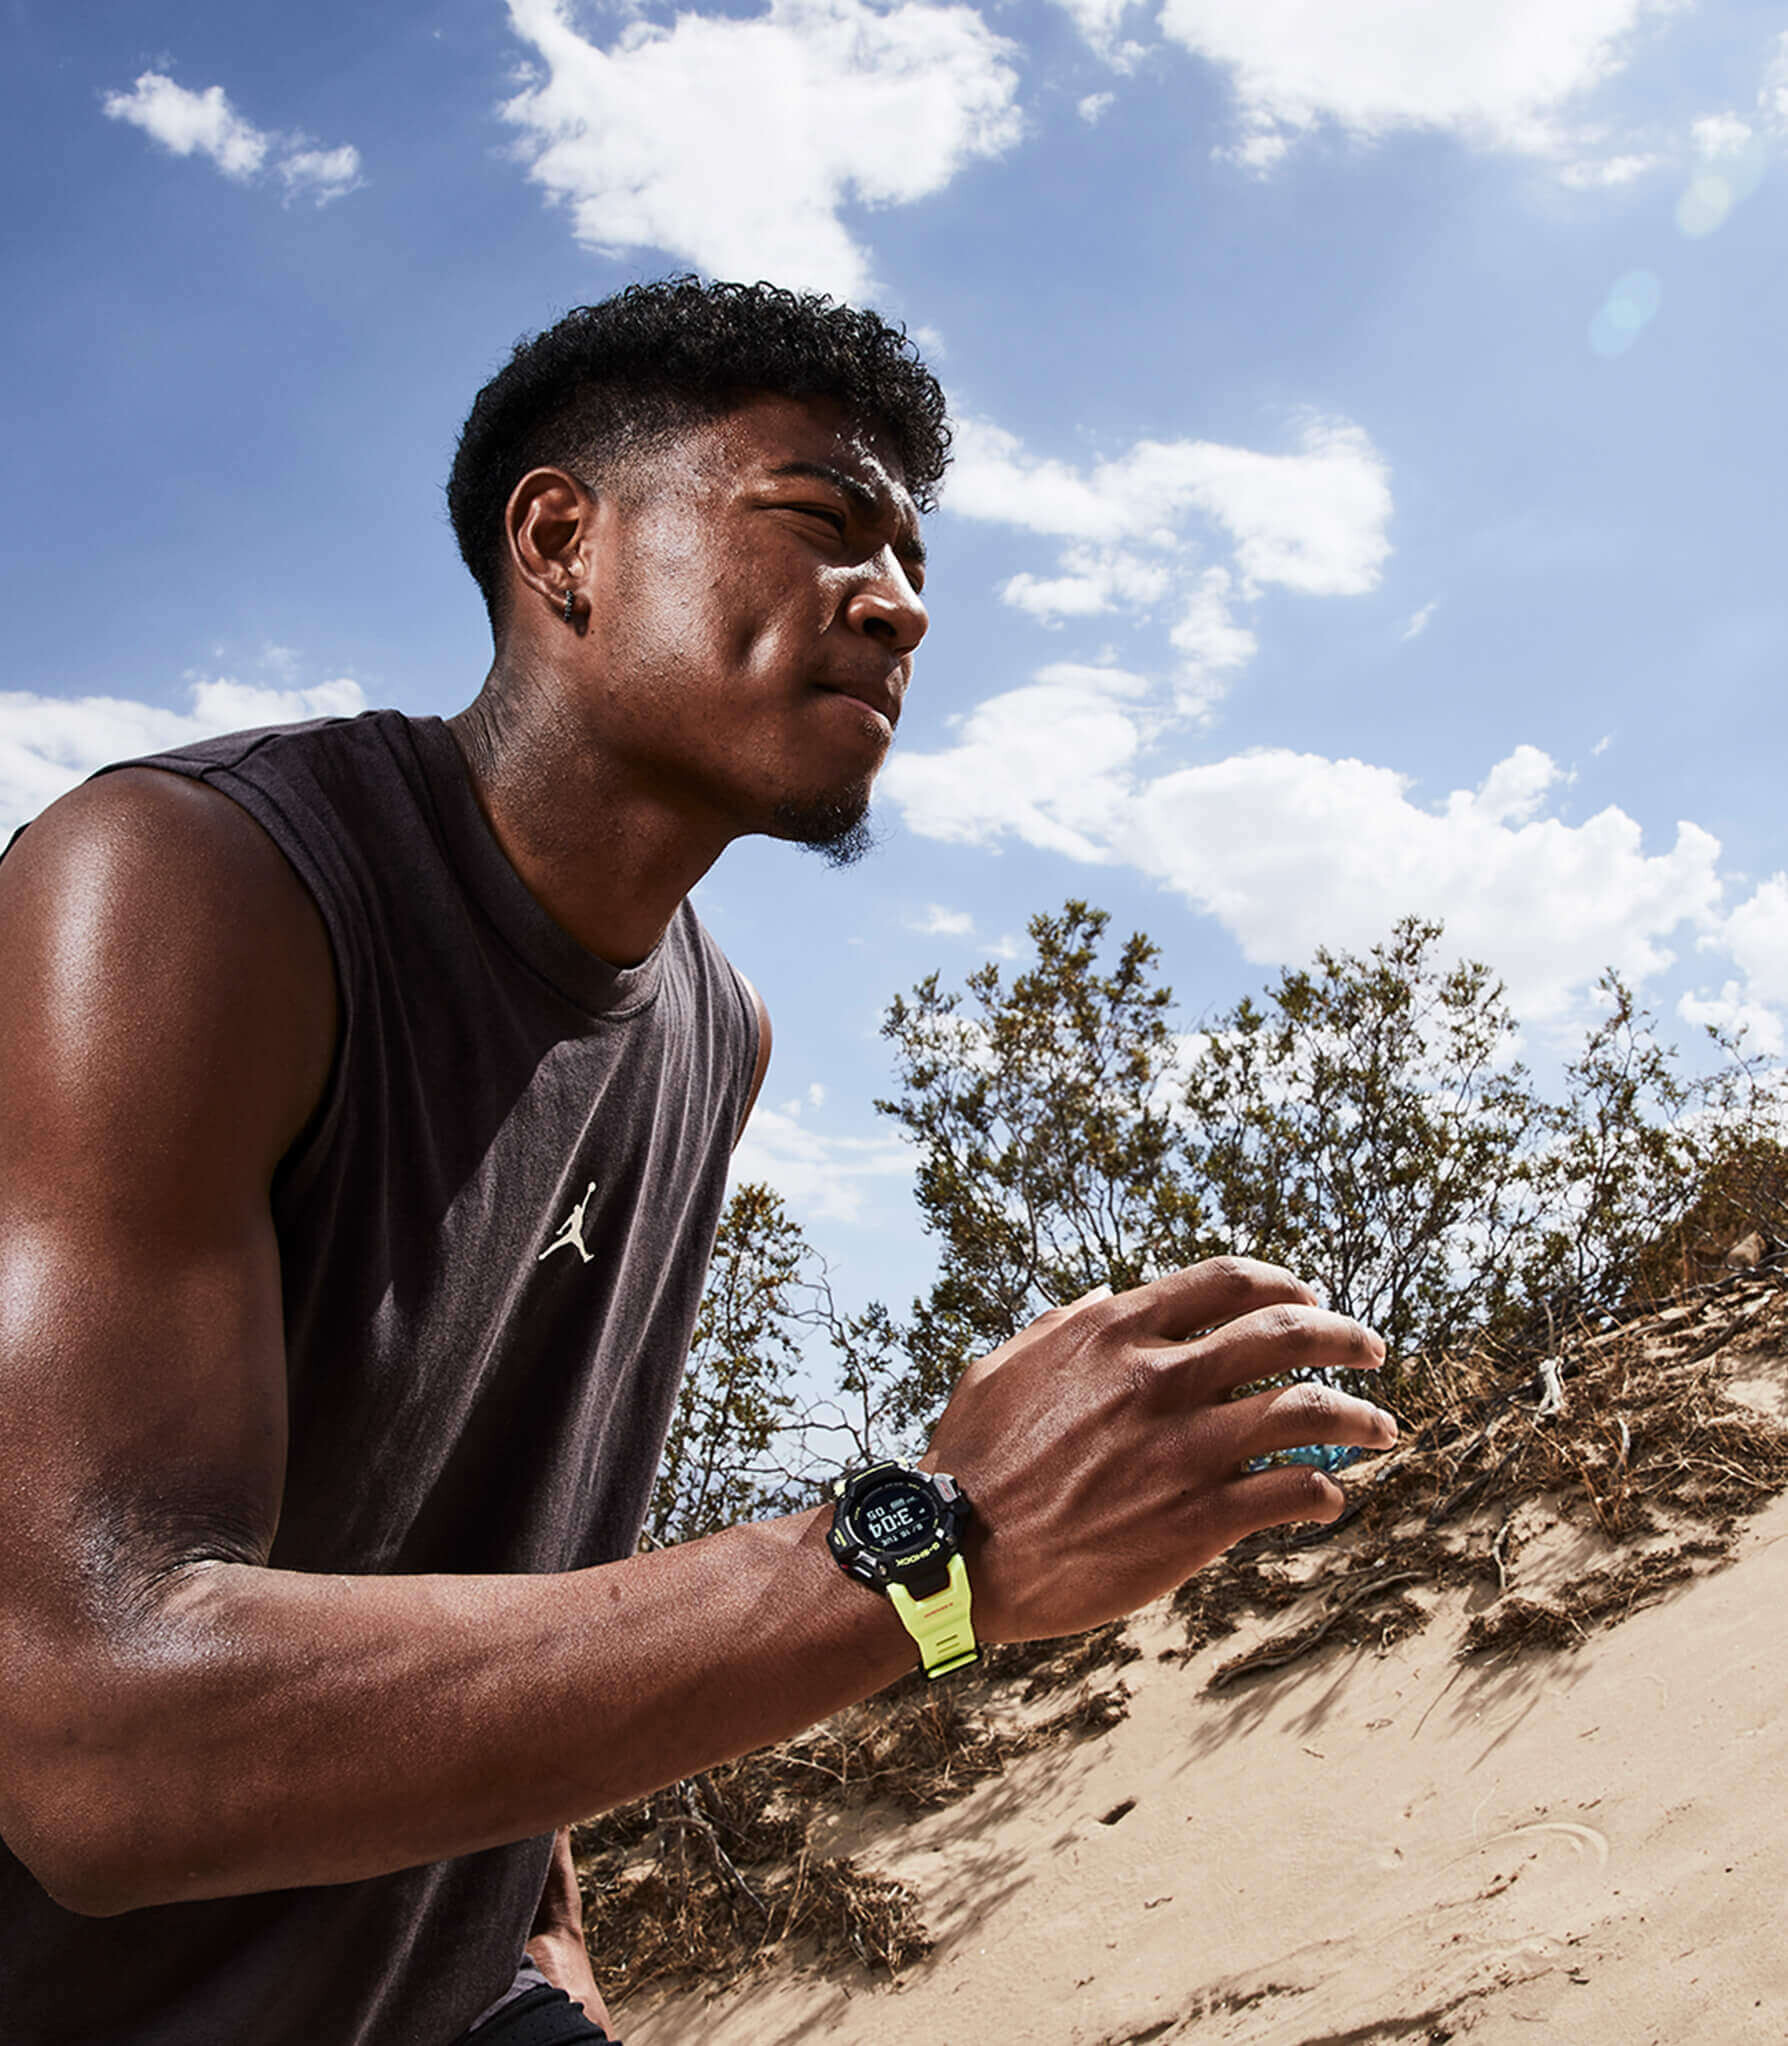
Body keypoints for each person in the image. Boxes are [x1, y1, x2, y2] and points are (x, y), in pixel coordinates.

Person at [0, 278, 1398, 2046]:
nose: (898, 602)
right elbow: (90, 1739)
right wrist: (933, 1549)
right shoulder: (184, 887)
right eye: (823, 519)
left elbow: (514, 1536)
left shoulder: (713, 1035)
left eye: (913, 561)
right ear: (562, 543)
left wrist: (543, 1925)